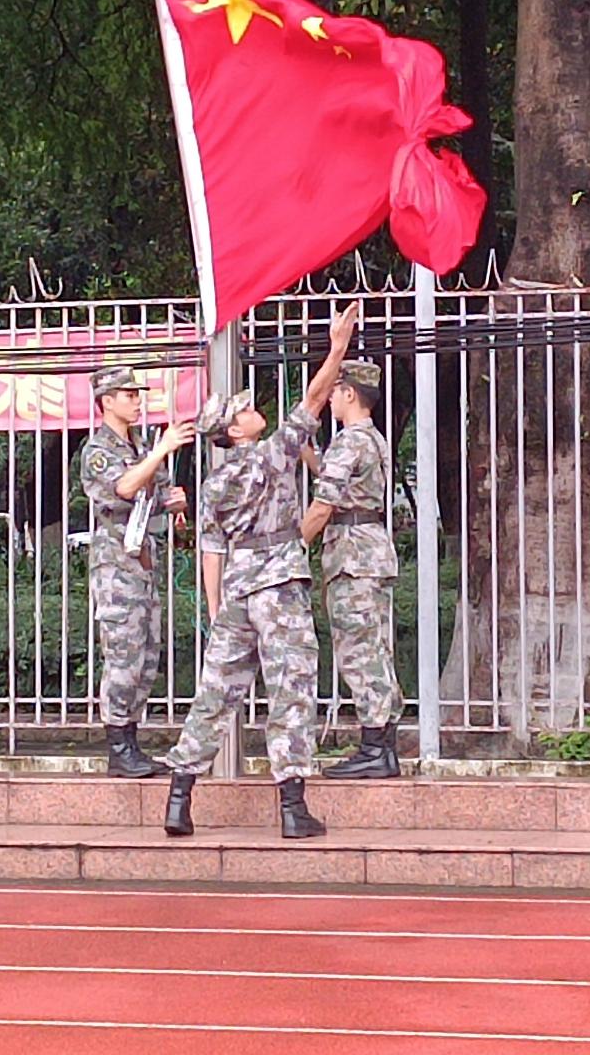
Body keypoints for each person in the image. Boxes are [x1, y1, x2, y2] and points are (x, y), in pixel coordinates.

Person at [162, 303, 361, 840]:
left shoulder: (213, 485)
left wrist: (215, 611)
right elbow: (316, 398)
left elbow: (210, 551)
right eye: (245, 410)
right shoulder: (272, 454)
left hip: (237, 593)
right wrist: (337, 345)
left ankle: (180, 795)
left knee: (216, 693)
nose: (255, 411)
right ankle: (293, 808)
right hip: (278, 585)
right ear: (234, 429)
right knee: (291, 689)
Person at [78, 366, 192, 777]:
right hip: (117, 566)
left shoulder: (139, 445)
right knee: (123, 655)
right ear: (107, 401)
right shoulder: (99, 450)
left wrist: (172, 500)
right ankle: (118, 745)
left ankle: (132, 738)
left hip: (144, 561)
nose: (135, 400)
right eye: (127, 394)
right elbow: (124, 488)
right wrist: (161, 451)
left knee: (146, 655)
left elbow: (152, 492)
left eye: (136, 393)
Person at [301, 358, 401, 778]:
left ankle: (374, 746)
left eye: (335, 392)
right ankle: (383, 746)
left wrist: (290, 548)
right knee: (376, 648)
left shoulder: (349, 440)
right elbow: (337, 480)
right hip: (370, 551)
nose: (330, 401)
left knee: (359, 652)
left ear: (347, 394)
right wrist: (305, 450)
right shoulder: (371, 439)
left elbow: (325, 504)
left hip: (352, 555)